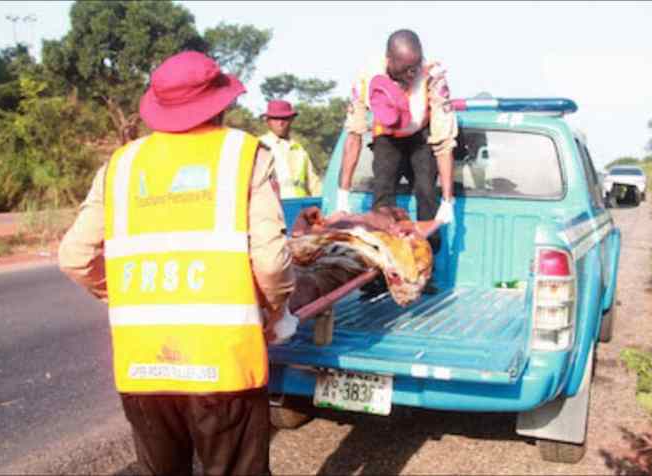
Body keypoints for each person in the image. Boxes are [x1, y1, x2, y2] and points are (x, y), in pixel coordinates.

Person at [58, 51, 295, 476]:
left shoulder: (121, 165)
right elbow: (272, 262)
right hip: (223, 363)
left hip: (143, 364)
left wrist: (122, 293)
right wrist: (275, 310)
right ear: (220, 104)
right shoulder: (243, 155)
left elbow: (75, 257)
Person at [337, 29, 458, 294]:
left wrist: (448, 201)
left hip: (421, 136)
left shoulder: (433, 76)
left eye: (415, 66)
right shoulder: (366, 77)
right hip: (387, 137)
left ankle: (424, 271)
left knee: (427, 193)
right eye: (405, 69)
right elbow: (354, 135)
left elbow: (444, 141)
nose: (411, 74)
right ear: (389, 60)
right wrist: (343, 195)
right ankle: (382, 274)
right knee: (382, 197)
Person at [259, 100, 322, 198]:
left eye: (284, 118)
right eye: (276, 119)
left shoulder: (298, 149)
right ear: (268, 121)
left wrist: (321, 201)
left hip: (299, 204)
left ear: (291, 120)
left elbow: (313, 182)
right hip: (272, 206)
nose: (280, 123)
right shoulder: (260, 145)